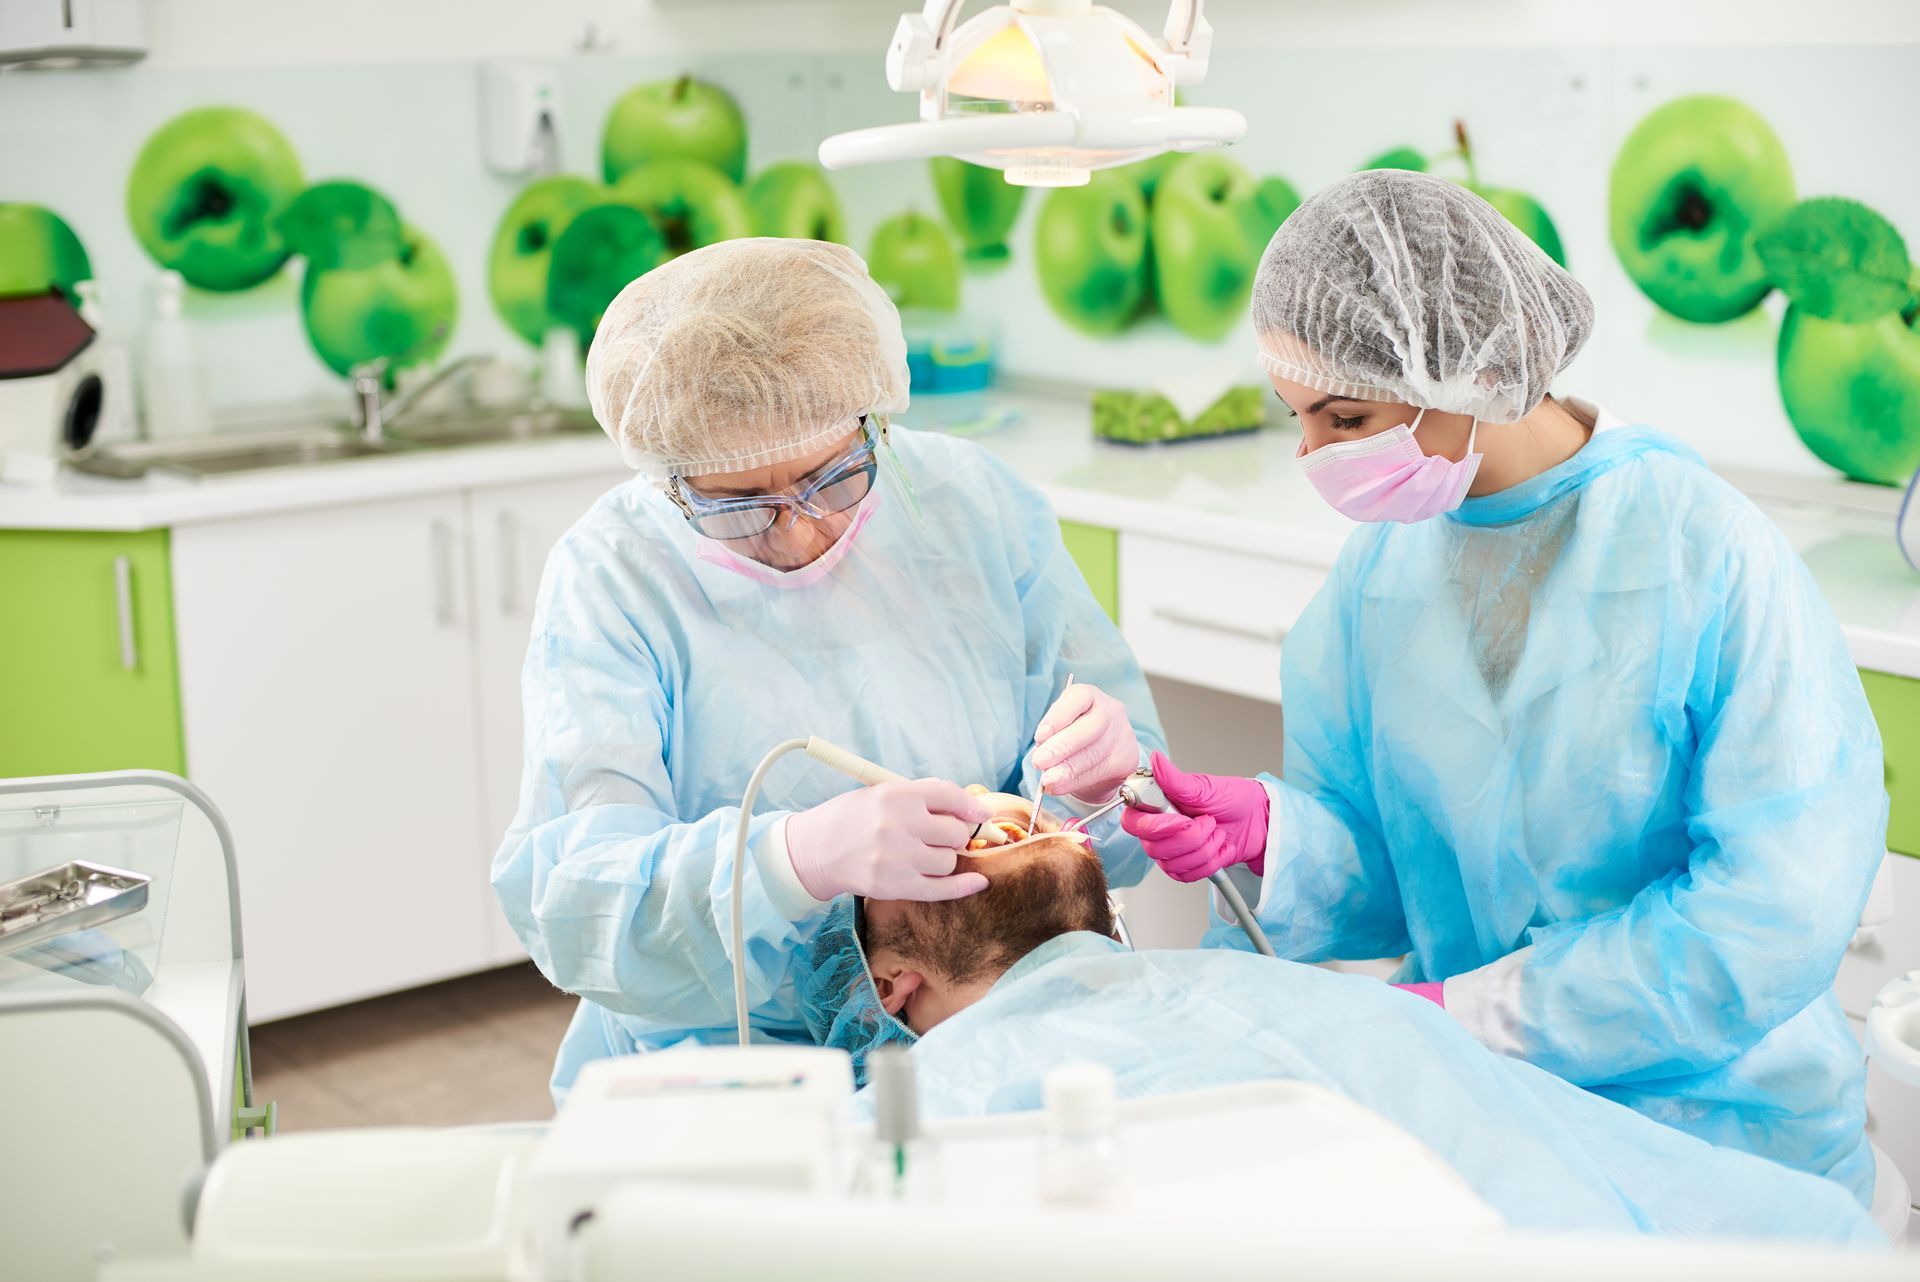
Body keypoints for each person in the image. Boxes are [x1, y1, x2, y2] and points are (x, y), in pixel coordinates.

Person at [1118, 171, 1888, 1203]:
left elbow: (1765, 918)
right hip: (1484, 1109)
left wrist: (1473, 1013)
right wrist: (1276, 833)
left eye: (1345, 417)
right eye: (1297, 417)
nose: (1314, 458)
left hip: (1722, 1134)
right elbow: (1399, 866)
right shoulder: (1384, 573)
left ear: (1465, 369)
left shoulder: (1706, 556)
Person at [491, 239, 1163, 1096]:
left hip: (995, 1039)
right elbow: (579, 903)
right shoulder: (615, 578)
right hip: (724, 1077)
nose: (802, 530)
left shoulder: (969, 507)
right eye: (741, 507)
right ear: (669, 481)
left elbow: (1127, 818)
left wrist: (1109, 775)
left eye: (832, 477)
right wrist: (791, 861)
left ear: (873, 419)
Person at [808, 835, 1882, 1246]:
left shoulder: (1267, 987)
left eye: (996, 809)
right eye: (914, 846)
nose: (968, 818)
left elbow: (1764, 1227)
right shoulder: (921, 1106)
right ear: (893, 985)